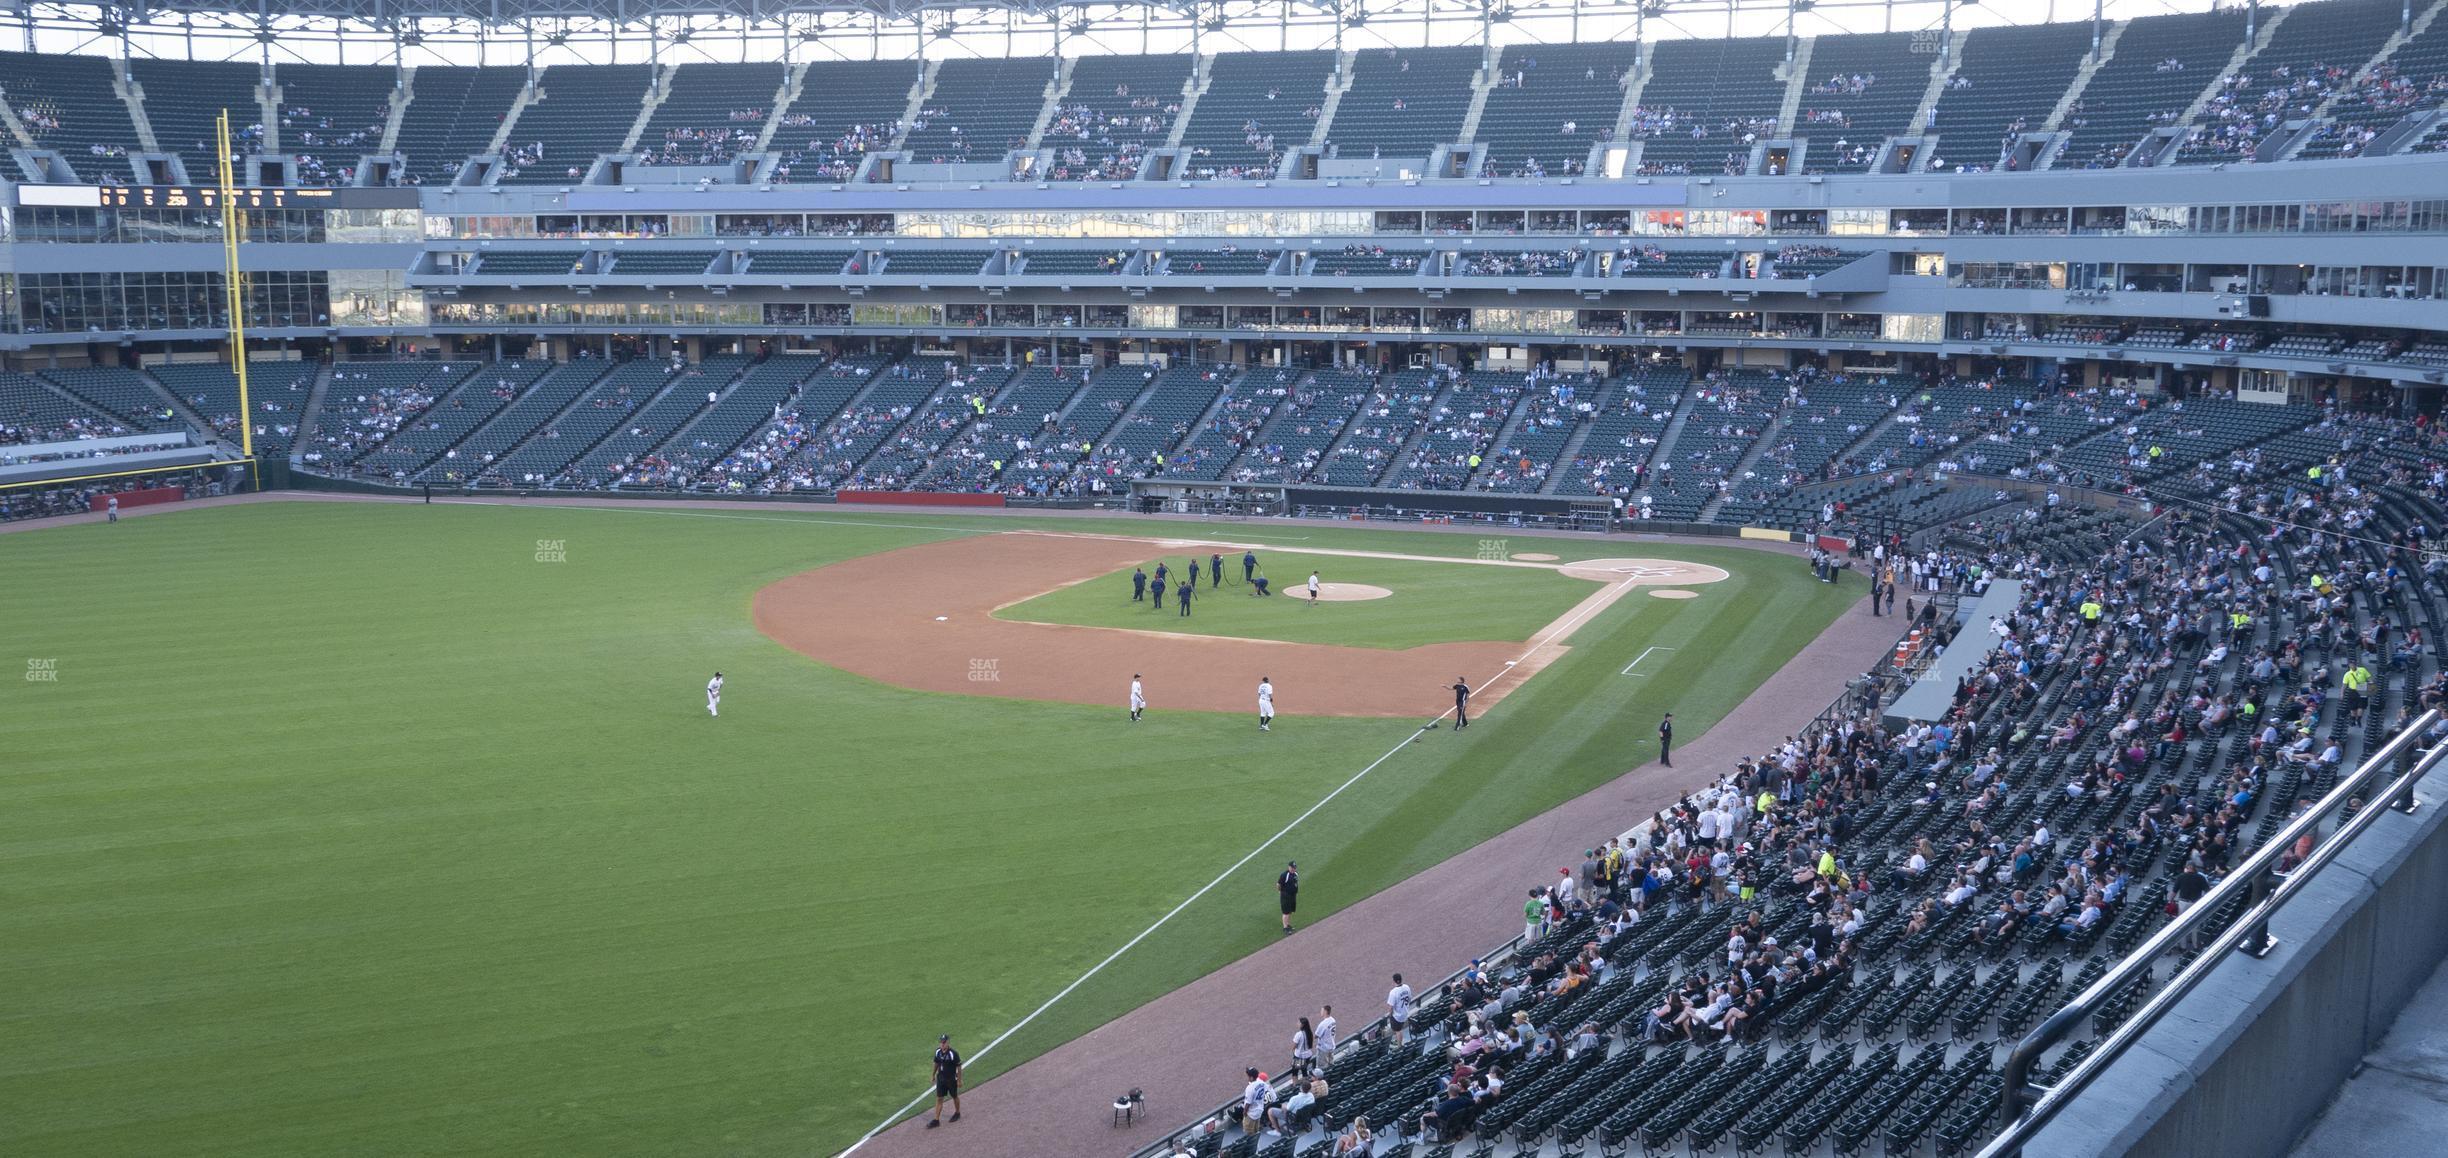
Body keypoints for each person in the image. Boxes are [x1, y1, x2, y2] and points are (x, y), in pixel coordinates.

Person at [927, 1034, 963, 1127]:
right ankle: (936, 1120)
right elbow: (936, 1063)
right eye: (941, 1042)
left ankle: (957, 1113)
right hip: (941, 1079)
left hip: (951, 1079)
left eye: (944, 1042)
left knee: (954, 1096)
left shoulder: (953, 1053)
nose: (942, 1044)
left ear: (948, 1042)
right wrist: (933, 1075)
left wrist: (959, 1080)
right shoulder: (938, 1052)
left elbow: (959, 1067)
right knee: (939, 1098)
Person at [1387, 973, 1415, 1044]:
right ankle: (1397, 1040)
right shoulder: (1407, 987)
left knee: (1398, 1030)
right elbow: (1409, 999)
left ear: (1394, 981)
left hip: (1397, 1015)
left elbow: (1391, 1006)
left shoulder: (1393, 992)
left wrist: (1390, 1015)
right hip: (1405, 1012)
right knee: (1399, 1029)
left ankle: (1399, 1045)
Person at [1279, 860, 1300, 934]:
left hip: (1292, 895)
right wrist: (1280, 891)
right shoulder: (1284, 875)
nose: (1294, 869)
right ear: (1289, 867)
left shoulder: (1296, 874)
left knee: (1290, 911)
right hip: (1285, 896)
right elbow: (1278, 884)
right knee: (1286, 912)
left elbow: (1296, 883)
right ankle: (1285, 928)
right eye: (1292, 867)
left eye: (1294, 867)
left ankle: (1288, 925)